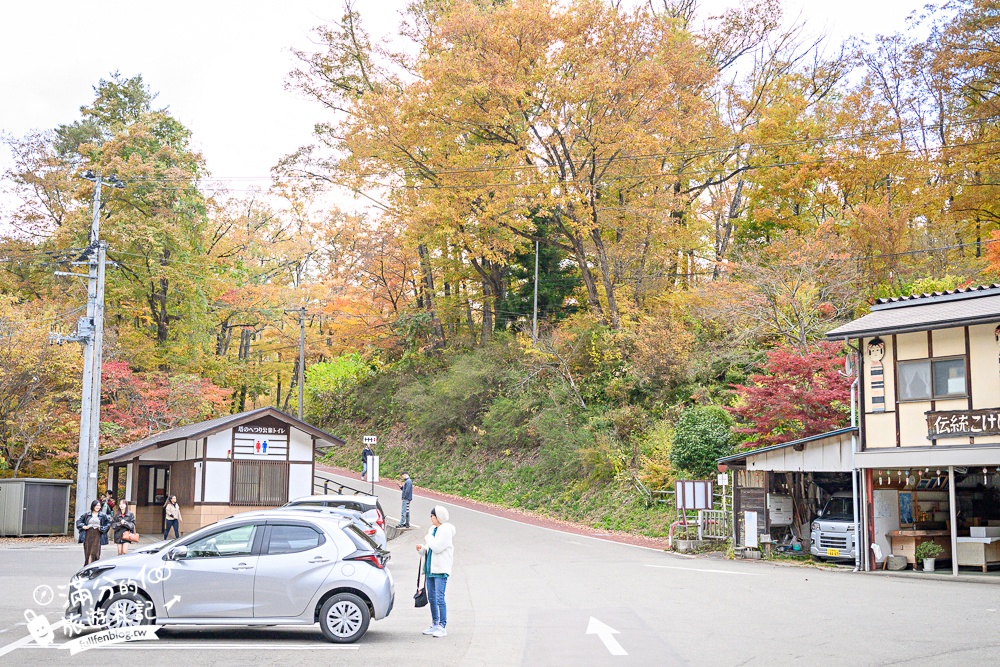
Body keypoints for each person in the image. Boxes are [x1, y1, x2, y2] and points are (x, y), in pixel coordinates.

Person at [415, 505, 456, 638]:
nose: (431, 518)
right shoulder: (432, 529)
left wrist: (428, 539)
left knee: (439, 598)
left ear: (438, 517)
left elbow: (437, 547)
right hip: (430, 568)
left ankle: (442, 626)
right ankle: (435, 624)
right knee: (432, 597)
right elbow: (429, 548)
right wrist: (422, 549)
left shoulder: (446, 530)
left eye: (432, 516)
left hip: (440, 569)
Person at [76, 499, 110, 566]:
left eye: (99, 505)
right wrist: (83, 526)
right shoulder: (87, 514)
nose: (98, 507)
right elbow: (78, 521)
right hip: (88, 535)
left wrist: (102, 528)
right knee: (88, 552)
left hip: (97, 535)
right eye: (96, 505)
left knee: (95, 553)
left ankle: (93, 567)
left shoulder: (102, 515)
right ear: (93, 506)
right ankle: (88, 568)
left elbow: (109, 523)